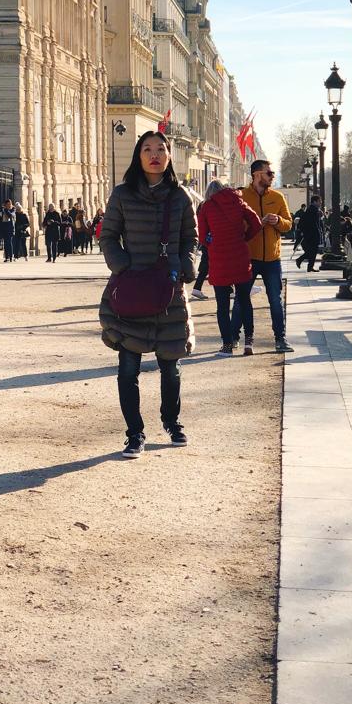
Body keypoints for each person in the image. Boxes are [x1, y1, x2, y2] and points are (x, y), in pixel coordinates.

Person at [99, 131, 197, 459]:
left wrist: (185, 265)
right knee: (128, 367)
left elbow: (191, 238)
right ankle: (134, 433)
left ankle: (172, 420)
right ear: (138, 156)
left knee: (171, 365)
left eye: (160, 149)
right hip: (132, 288)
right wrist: (122, 265)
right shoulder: (122, 194)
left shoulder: (180, 197)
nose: (154, 154)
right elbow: (108, 236)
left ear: (169, 155)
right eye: (147, 149)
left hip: (169, 289)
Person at [230, 160, 294, 353]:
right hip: (248, 258)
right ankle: (234, 337)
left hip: (272, 259)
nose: (273, 176)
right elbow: (236, 226)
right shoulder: (241, 196)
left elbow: (289, 224)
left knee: (275, 300)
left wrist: (278, 220)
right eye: (269, 173)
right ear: (257, 175)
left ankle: (280, 339)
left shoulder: (277, 197)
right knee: (241, 299)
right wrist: (258, 222)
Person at [197, 179, 262, 355]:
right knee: (244, 301)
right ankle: (249, 342)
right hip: (240, 257)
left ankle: (227, 345)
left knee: (222, 306)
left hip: (219, 260)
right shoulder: (238, 201)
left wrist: (213, 243)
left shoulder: (207, 207)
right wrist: (244, 238)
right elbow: (256, 223)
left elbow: (202, 236)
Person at [296, 195, 323, 272]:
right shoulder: (312, 210)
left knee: (313, 251)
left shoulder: (313, 209)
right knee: (312, 251)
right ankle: (300, 260)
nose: (320, 202)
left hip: (311, 234)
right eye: (319, 201)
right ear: (314, 202)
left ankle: (310, 266)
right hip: (312, 234)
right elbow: (312, 224)